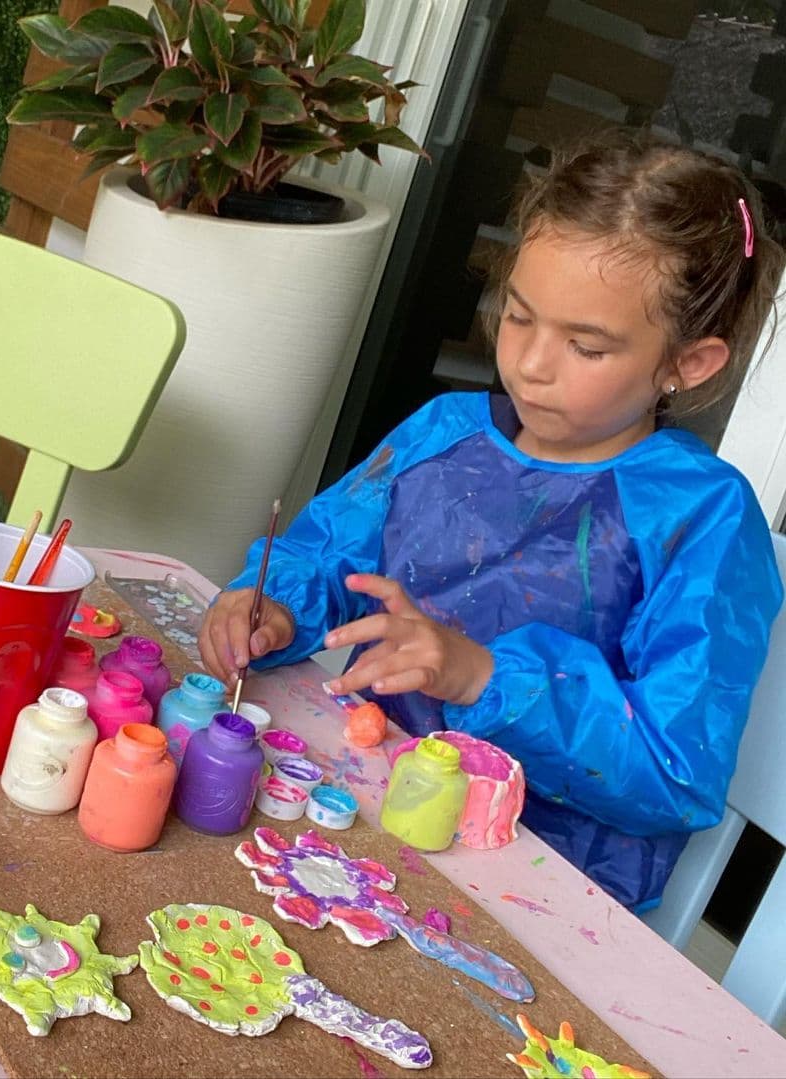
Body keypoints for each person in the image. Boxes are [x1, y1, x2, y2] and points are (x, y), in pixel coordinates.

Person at [199, 128, 786, 912]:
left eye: (585, 345)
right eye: (517, 317)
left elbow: (674, 771)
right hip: (357, 819)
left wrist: (482, 676)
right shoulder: (443, 434)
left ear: (688, 363)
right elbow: (325, 557)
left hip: (542, 896)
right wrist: (271, 608)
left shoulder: (703, 517)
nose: (532, 362)